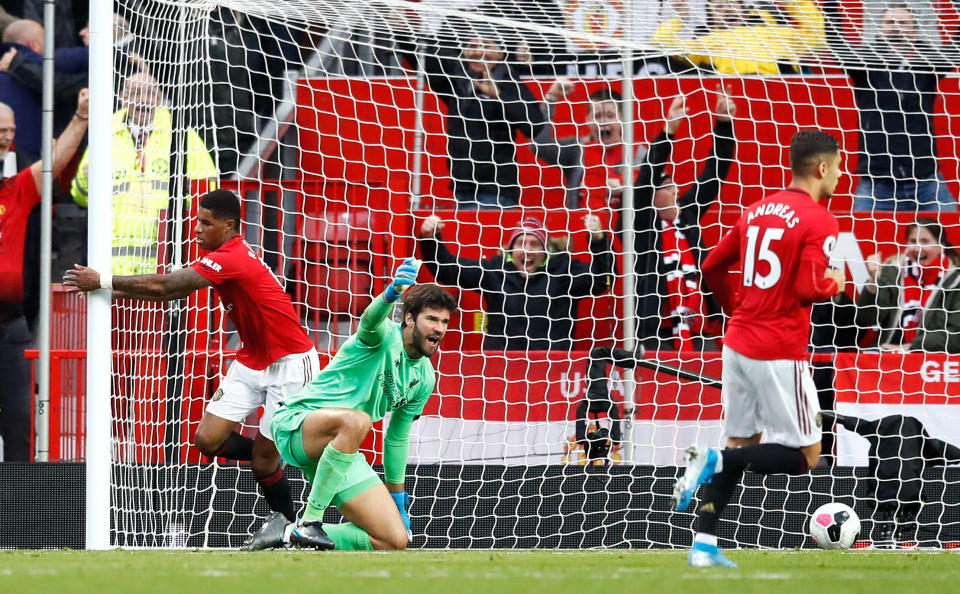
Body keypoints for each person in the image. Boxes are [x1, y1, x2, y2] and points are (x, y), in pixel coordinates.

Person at [63, 189, 317, 549]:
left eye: (205, 223)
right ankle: (278, 452)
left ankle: (290, 527)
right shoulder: (225, 256)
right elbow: (169, 289)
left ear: (229, 226)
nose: (196, 229)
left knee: (262, 465)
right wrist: (115, 292)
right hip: (252, 358)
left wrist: (104, 281)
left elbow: (167, 287)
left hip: (290, 363)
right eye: (196, 221)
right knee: (207, 441)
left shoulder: (233, 257)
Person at [671, 130, 846, 567]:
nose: (841, 175)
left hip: (738, 342)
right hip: (778, 348)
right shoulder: (821, 219)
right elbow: (809, 285)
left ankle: (704, 546)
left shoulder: (755, 210)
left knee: (742, 442)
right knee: (807, 455)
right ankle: (713, 458)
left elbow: (711, 264)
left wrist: (736, 308)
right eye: (839, 166)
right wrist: (836, 283)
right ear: (822, 168)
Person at [269, 263, 458, 550]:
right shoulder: (383, 337)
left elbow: (397, 437)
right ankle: (310, 522)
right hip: (297, 424)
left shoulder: (425, 378)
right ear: (409, 318)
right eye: (432, 319)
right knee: (358, 421)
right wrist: (392, 292)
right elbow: (369, 320)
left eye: (444, 322)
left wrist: (398, 500)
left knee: (392, 540)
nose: (439, 329)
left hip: (341, 449)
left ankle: (285, 534)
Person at [0, 89, 89, 461]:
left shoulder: (15, 189)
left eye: (11, 130)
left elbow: (54, 161)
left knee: (20, 423)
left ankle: (18, 509)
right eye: (0, 130)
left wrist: (81, 118)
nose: (8, 137)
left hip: (9, 325)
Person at [70, 71, 218, 276]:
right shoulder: (104, 132)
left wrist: (190, 191)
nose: (143, 101)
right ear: (122, 97)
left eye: (149, 93)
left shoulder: (182, 135)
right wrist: (86, 179)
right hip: (110, 268)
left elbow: (209, 195)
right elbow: (80, 196)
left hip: (165, 266)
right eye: (135, 93)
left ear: (159, 98)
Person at [825, 2, 958, 212]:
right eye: (890, 22)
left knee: (951, 237)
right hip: (877, 186)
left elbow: (956, 48)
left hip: (926, 183)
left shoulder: (927, 63)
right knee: (865, 240)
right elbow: (836, 43)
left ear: (915, 32)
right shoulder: (865, 63)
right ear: (880, 29)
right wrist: (830, 4)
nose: (896, 27)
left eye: (903, 22)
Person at [418, 214, 614, 351]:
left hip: (552, 367)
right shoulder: (495, 270)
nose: (527, 250)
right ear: (511, 250)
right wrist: (430, 238)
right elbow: (447, 269)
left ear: (545, 251)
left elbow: (603, 280)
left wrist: (598, 241)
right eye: (521, 243)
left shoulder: (564, 270)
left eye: (534, 244)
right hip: (500, 367)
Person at [635, 92, 736, 351]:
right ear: (653, 195)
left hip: (700, 331)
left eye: (673, 185)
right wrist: (668, 131)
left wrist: (724, 125)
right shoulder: (640, 223)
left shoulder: (687, 213)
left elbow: (714, 174)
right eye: (666, 186)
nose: (674, 190)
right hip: (656, 333)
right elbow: (647, 177)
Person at [401, 34, 551, 208]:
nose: (478, 52)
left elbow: (533, 126)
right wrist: (401, 31)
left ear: (500, 54)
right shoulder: (458, 83)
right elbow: (421, 60)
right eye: (472, 46)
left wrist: (499, 96)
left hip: (497, 193)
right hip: (461, 191)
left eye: (487, 46)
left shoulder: (508, 81)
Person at [856, 218, 960, 353]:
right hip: (888, 353)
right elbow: (867, 318)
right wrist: (873, 282)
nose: (917, 248)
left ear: (941, 246)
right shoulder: (892, 271)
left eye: (925, 242)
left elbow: (956, 335)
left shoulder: (955, 281)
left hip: (934, 357)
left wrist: (911, 346)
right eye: (913, 241)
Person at [649, 0, 826, 75]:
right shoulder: (707, 42)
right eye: (718, 7)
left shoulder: (780, 32)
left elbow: (818, 37)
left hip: (782, 90)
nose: (726, 9)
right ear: (711, 17)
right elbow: (660, 43)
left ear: (743, 8)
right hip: (735, 95)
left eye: (731, 2)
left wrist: (794, 2)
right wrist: (679, 18)